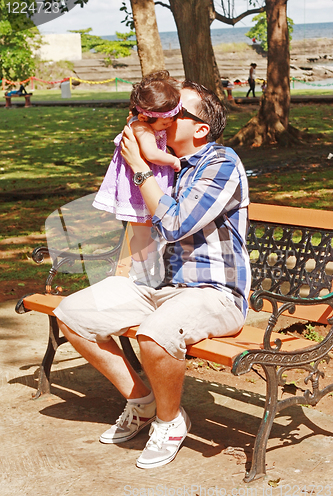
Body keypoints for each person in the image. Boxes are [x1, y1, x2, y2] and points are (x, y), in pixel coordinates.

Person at [54, 79, 251, 470]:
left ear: (200, 129)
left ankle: (169, 420)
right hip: (156, 286)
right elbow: (141, 225)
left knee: (156, 333)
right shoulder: (164, 167)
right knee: (72, 314)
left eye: (177, 111)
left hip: (214, 293)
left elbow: (177, 223)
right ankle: (142, 402)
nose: (166, 115)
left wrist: (142, 167)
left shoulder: (220, 162)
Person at [93, 71, 182, 285]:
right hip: (139, 190)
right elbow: (151, 154)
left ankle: (150, 269)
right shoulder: (141, 127)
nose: (170, 123)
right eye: (164, 121)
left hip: (145, 184)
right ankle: (142, 273)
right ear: (144, 116)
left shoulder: (142, 121)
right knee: (143, 235)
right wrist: (173, 161)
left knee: (149, 233)